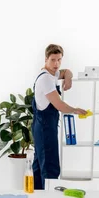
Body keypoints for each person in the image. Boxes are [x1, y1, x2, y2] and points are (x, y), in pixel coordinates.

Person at [32, 44, 87, 190]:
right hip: (44, 129)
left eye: (59, 60)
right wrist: (76, 110)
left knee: (39, 165)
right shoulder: (45, 79)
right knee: (49, 167)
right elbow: (59, 105)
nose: (56, 64)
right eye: (53, 60)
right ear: (45, 59)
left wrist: (68, 78)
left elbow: (66, 72)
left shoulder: (52, 73)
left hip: (43, 127)